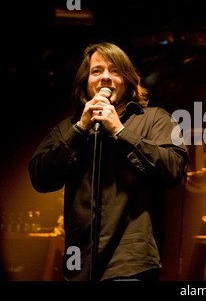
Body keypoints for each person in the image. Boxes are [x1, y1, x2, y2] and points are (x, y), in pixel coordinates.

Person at [28, 42, 188, 281]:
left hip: (130, 263)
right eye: (96, 71)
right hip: (79, 264)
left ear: (127, 80)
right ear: (86, 81)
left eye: (114, 71)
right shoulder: (68, 128)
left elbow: (174, 168)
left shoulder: (155, 118)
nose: (105, 78)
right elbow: (40, 178)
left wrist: (120, 132)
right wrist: (80, 129)